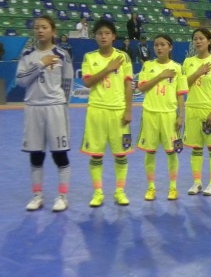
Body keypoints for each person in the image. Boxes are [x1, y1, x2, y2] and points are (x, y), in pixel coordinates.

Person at [17, 16, 73, 212]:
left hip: (55, 108)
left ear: (53, 31)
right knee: (36, 154)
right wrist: (41, 63)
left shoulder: (62, 54)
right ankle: (37, 195)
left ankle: (63, 196)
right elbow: (21, 81)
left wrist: (61, 104)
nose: (40, 30)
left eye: (44, 27)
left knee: (59, 154)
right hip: (33, 108)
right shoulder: (27, 54)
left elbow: (67, 83)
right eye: (37, 27)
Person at [80, 19, 134, 207]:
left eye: (106, 33)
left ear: (113, 36)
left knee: (121, 154)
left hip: (118, 113)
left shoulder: (123, 57)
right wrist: (108, 68)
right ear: (95, 36)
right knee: (96, 155)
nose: (103, 36)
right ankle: (98, 193)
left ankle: (120, 191)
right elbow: (87, 82)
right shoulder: (89, 57)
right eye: (99, 33)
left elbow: (129, 85)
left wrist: (128, 109)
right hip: (96, 111)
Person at [137, 34, 188, 201]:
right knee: (150, 152)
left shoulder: (178, 68)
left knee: (172, 152)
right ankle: (151, 188)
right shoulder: (148, 66)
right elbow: (142, 88)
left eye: (163, 45)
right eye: (156, 45)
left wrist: (181, 116)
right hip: (150, 114)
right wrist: (160, 76)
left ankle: (173, 188)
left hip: (169, 116)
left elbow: (181, 95)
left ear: (170, 47)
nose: (159, 48)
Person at [182, 27, 211, 196]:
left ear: (209, 41)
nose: (198, 41)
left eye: (201, 38)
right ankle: (197, 182)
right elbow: (184, 85)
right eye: (195, 39)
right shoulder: (188, 62)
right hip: (192, 109)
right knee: (196, 148)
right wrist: (198, 72)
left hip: (209, 110)